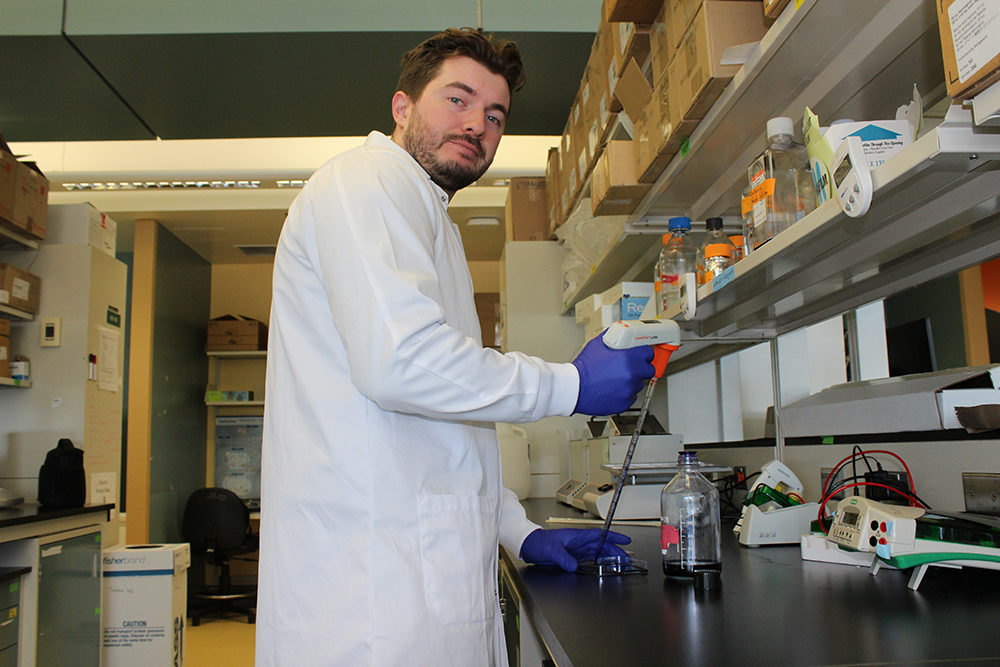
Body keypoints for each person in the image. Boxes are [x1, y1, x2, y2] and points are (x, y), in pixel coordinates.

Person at [256, 28, 655, 667]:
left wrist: (518, 532)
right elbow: (402, 363)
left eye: (495, 116)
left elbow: (450, 424)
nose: (477, 126)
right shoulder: (365, 185)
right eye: (458, 100)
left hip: (410, 582)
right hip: (371, 607)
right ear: (402, 107)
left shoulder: (425, 213)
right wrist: (571, 385)